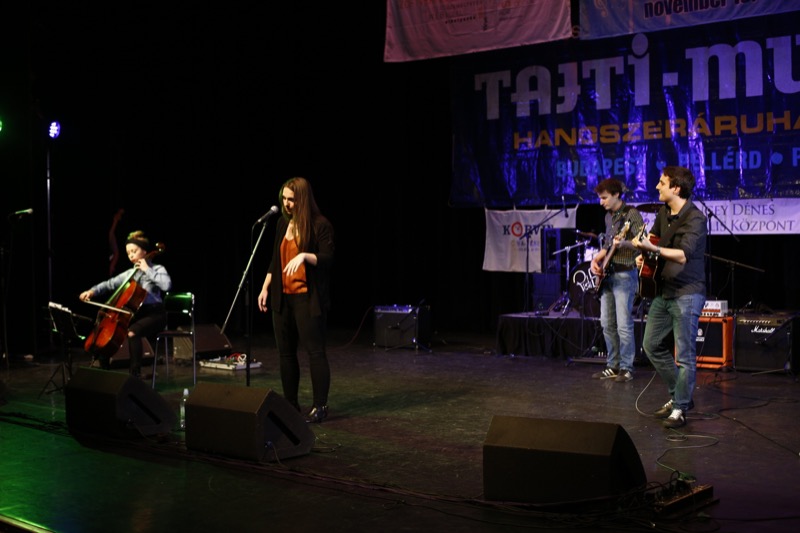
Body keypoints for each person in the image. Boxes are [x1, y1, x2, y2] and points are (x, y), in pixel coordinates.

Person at [632, 166, 707, 429]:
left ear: (676, 188)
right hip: (664, 290)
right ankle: (680, 397)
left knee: (684, 355)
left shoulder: (695, 218)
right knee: (651, 345)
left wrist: (652, 248)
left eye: (662, 183)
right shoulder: (663, 213)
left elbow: (682, 255)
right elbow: (654, 242)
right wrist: (644, 255)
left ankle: (680, 408)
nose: (657, 186)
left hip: (687, 292)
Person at [257, 177, 334, 423]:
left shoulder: (319, 224)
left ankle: (320, 406)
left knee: (315, 352)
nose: (286, 204)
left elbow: (328, 258)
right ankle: (290, 404)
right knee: (286, 354)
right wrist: (265, 287)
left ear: (303, 199)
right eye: (284, 199)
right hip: (283, 298)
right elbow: (275, 260)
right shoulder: (282, 223)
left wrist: (304, 256)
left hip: (307, 299)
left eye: (291, 199)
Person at [79, 230, 172, 378]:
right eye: (128, 253)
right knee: (109, 333)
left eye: (134, 251)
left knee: (132, 332)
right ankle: (103, 369)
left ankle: (135, 374)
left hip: (155, 314)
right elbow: (110, 284)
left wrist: (147, 270)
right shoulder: (130, 273)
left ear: (145, 251)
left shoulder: (157, 269)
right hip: (136, 314)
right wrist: (92, 291)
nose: (131, 255)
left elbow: (166, 285)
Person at [589, 178, 644, 383]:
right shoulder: (608, 217)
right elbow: (607, 244)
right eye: (600, 198)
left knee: (623, 324)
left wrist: (624, 244)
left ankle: (627, 368)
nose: (601, 202)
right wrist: (596, 259)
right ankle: (612, 365)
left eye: (604, 198)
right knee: (606, 323)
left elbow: (642, 242)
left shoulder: (632, 214)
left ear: (616, 195)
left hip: (625, 274)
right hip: (608, 275)